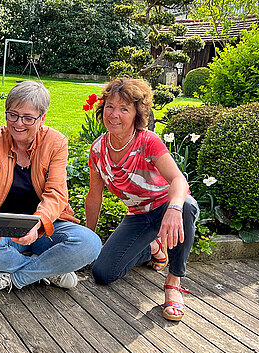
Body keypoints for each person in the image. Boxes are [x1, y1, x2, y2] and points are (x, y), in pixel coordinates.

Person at [0, 80, 101, 295]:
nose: (18, 123)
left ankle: (14, 277)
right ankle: (48, 270)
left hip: (45, 229)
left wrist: (38, 223)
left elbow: (56, 194)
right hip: (2, 228)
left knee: (89, 243)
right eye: (12, 114)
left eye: (28, 118)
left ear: (42, 118)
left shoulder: (56, 142)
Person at [85, 78, 199, 322]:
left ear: (137, 114)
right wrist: (89, 239)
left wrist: (174, 208)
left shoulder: (147, 141)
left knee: (187, 206)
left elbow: (179, 180)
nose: (114, 115)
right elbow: (95, 196)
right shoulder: (97, 150)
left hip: (167, 206)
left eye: (124, 109)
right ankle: (154, 247)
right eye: (110, 107)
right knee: (103, 273)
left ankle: (173, 283)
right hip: (138, 215)